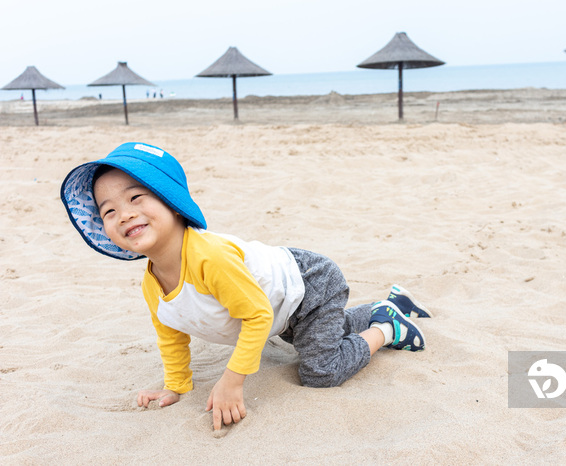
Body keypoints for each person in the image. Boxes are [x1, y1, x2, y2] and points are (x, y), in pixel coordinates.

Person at [60, 142, 432, 431]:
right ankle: (387, 305)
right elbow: (171, 337)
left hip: (308, 285)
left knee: (322, 371)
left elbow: (256, 316)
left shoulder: (209, 257)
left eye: (136, 197)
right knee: (327, 331)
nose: (123, 213)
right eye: (107, 211)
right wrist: (175, 387)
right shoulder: (152, 284)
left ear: (172, 203)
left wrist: (232, 382)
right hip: (282, 308)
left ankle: (390, 328)